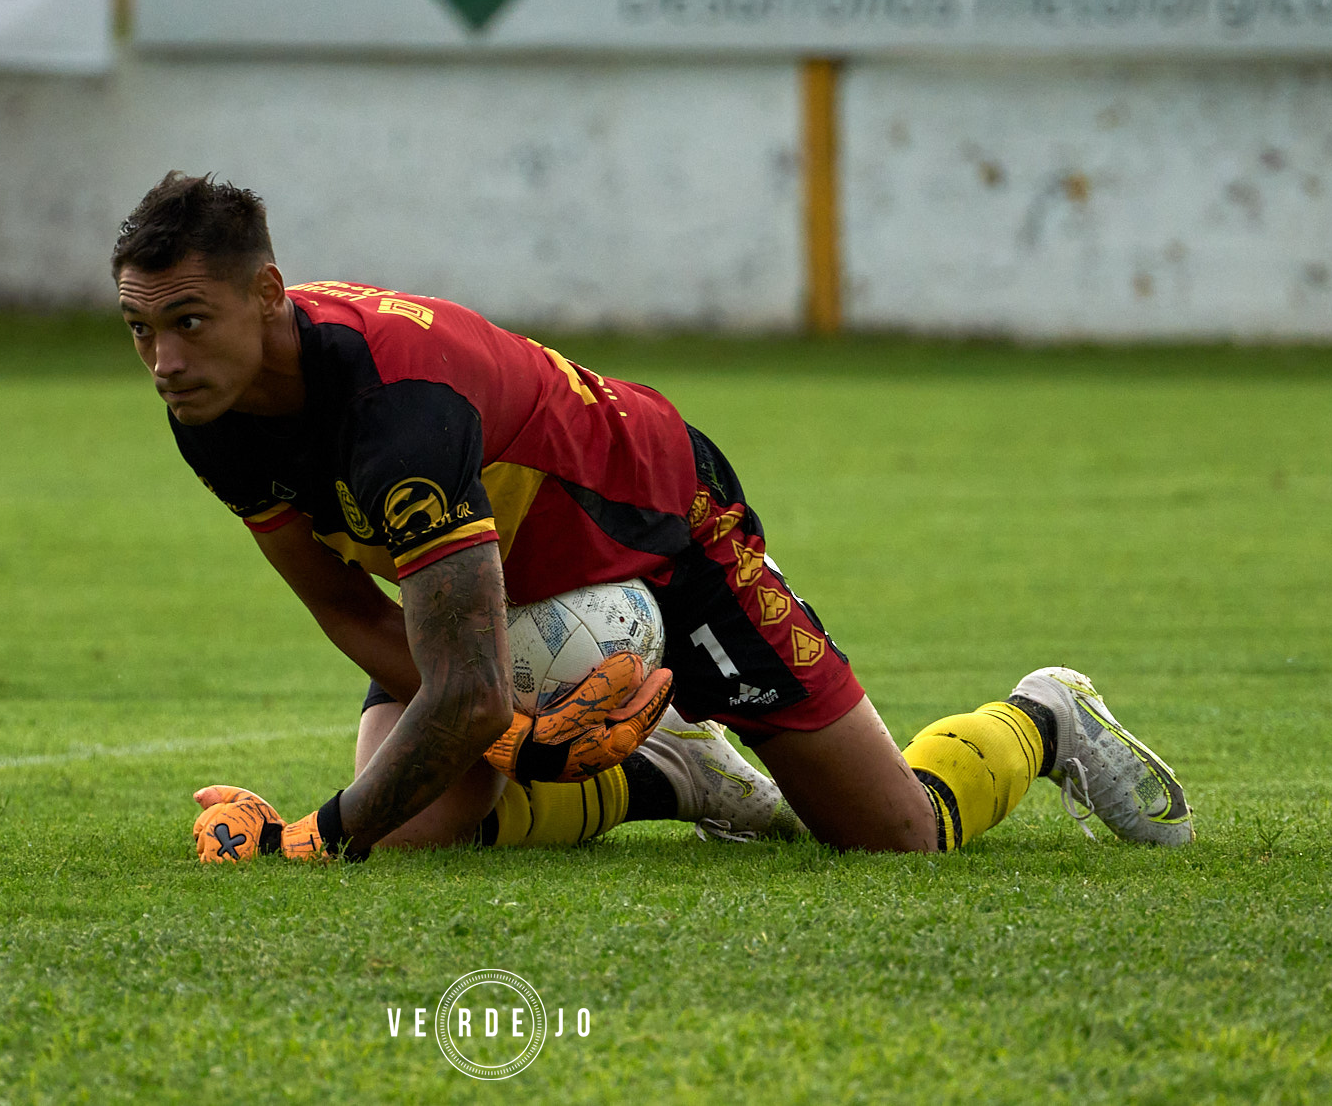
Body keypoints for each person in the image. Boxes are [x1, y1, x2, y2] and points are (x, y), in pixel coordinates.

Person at [109, 174, 1194, 861]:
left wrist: (312, 834)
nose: (163, 359)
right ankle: (668, 775)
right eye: (140, 329)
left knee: (894, 837)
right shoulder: (211, 413)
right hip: (489, 594)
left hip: (668, 529)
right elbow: (346, 607)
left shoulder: (400, 406)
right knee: (417, 826)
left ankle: (1044, 716)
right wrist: (501, 734)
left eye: (188, 321)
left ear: (269, 294)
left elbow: (467, 689)